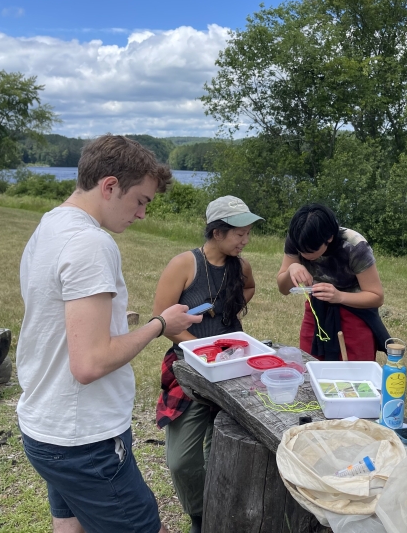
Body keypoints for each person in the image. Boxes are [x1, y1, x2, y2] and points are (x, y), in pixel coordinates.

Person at [17, 135, 202, 533]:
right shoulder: (90, 243)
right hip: (83, 439)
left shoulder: (50, 224)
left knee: (69, 525)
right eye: (140, 200)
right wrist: (159, 325)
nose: (141, 214)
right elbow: (90, 363)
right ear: (110, 186)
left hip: (46, 426)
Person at [153, 196, 261, 533]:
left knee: (223, 447)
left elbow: (250, 287)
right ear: (216, 232)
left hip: (230, 364)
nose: (245, 241)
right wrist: (201, 348)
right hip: (188, 366)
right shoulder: (184, 265)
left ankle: (219, 514)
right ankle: (200, 513)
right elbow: (161, 318)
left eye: (247, 234)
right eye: (239, 234)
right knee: (182, 460)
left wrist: (228, 309)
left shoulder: (240, 266)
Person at [276, 203, 388, 361]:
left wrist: (339, 296)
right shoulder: (298, 238)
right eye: (301, 251)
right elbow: (283, 289)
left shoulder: (354, 245)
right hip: (317, 309)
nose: (305, 256)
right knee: (311, 364)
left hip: (355, 313)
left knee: (354, 373)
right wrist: (291, 269)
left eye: (311, 251)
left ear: (329, 238)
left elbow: (376, 297)